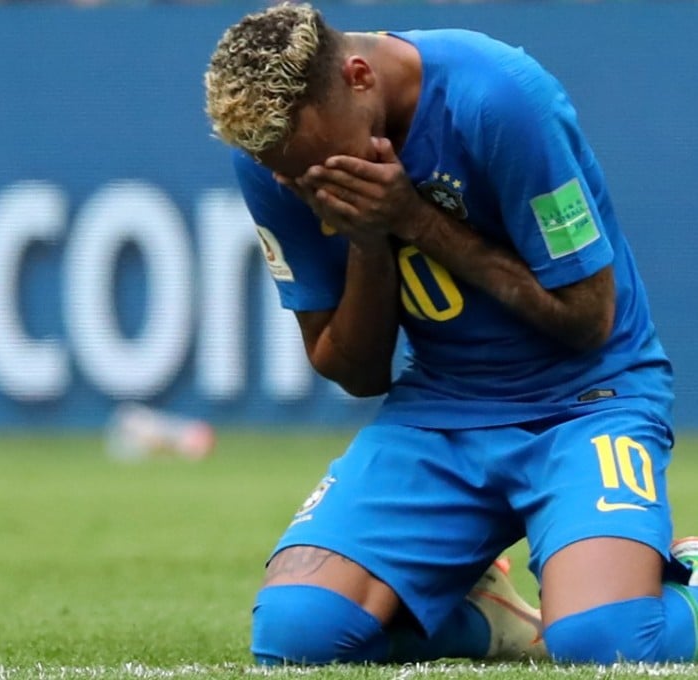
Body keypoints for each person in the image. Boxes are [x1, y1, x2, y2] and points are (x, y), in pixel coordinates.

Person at [204, 3, 698, 665]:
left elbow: (588, 318)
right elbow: (354, 372)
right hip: (441, 409)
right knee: (296, 637)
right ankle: (477, 612)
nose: (300, 187)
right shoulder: (278, 161)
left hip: (587, 401)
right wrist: (369, 245)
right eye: (285, 174)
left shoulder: (500, 99)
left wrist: (415, 217)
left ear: (358, 77)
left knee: (603, 640)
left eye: (318, 166)